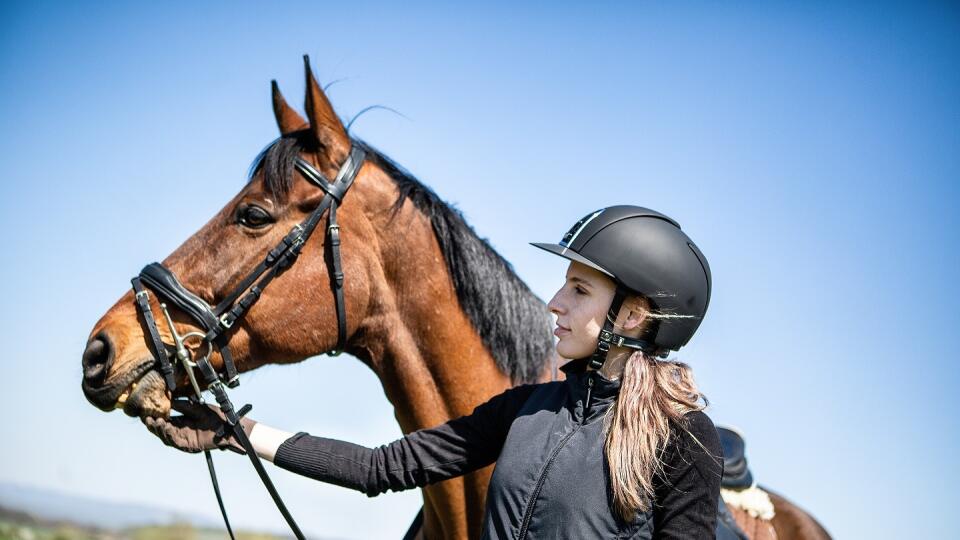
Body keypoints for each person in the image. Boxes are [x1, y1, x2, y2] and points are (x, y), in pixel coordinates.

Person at [143, 205, 723, 539]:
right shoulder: (524, 410)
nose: (554, 303)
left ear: (635, 313)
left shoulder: (683, 439)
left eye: (578, 290)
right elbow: (378, 468)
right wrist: (233, 432)